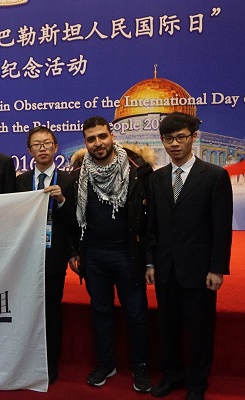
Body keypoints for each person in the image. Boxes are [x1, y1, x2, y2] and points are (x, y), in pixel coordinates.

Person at [145, 112, 233, 400]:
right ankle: (171, 375)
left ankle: (196, 383)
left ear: (194, 137)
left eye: (181, 137)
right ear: (162, 141)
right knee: (167, 328)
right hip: (165, 268)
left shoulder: (215, 176)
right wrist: (150, 261)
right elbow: (152, 225)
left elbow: (221, 226)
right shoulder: (156, 178)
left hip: (199, 270)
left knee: (199, 331)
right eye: (168, 139)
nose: (174, 144)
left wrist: (217, 268)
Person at [71, 116, 152, 392]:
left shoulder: (139, 169)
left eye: (102, 136)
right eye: (91, 139)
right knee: (100, 311)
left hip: (128, 255)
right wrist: (75, 251)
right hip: (94, 256)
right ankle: (106, 363)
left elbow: (151, 218)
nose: (98, 143)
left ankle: (140, 366)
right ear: (85, 143)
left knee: (136, 313)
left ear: (112, 136)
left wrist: (149, 257)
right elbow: (74, 218)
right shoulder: (78, 173)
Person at [15, 126, 78, 383]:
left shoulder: (69, 180)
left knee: (51, 309)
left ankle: (50, 363)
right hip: (23, 256)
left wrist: (62, 201)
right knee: (24, 308)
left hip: (54, 255)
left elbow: (76, 220)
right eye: (37, 144)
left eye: (47, 143)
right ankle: (25, 358)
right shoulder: (20, 181)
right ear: (29, 150)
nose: (42, 148)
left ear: (55, 147)